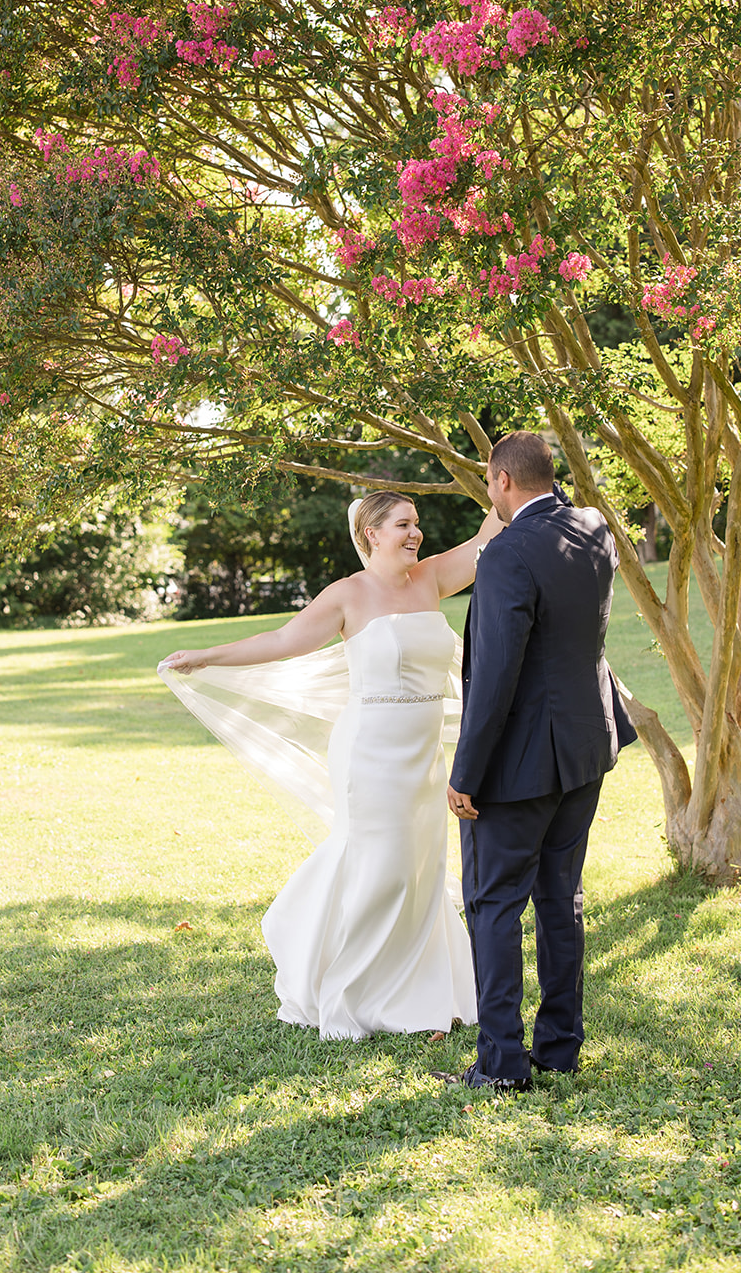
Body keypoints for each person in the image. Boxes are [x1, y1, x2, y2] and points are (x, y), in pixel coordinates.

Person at [159, 489, 504, 1040]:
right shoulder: (349, 594)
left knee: (418, 870)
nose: (414, 534)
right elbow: (283, 639)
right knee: (382, 867)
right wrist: (206, 655)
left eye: (416, 524)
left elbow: (490, 536)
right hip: (370, 751)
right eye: (401, 525)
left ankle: (418, 989)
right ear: (371, 533)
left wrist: (501, 472)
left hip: (424, 754)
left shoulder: (433, 578)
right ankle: (346, 986)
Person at [446, 431, 636, 1092]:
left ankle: (500, 1065)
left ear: (500, 481)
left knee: (493, 903)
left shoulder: (505, 554)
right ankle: (558, 1047)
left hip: (522, 762)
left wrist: (465, 774)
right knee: (561, 898)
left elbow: (494, 674)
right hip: (587, 743)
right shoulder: (592, 528)